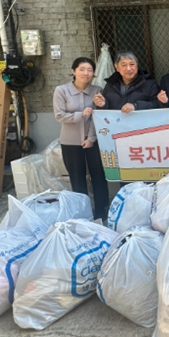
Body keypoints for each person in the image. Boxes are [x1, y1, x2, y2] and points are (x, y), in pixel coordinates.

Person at [53, 57, 109, 220]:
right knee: (77, 178)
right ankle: (83, 213)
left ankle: (102, 211)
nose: (86, 73)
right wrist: (80, 115)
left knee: (98, 176)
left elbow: (97, 117)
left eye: (89, 70)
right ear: (73, 71)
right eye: (82, 69)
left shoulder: (97, 90)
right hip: (70, 142)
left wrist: (91, 138)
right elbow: (59, 115)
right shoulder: (61, 90)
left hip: (94, 141)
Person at [93, 51, 166, 112]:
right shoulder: (110, 84)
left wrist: (136, 106)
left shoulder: (150, 84)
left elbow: (157, 105)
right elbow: (105, 111)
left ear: (137, 65)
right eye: (124, 65)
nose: (128, 68)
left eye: (132, 64)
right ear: (116, 67)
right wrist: (103, 104)